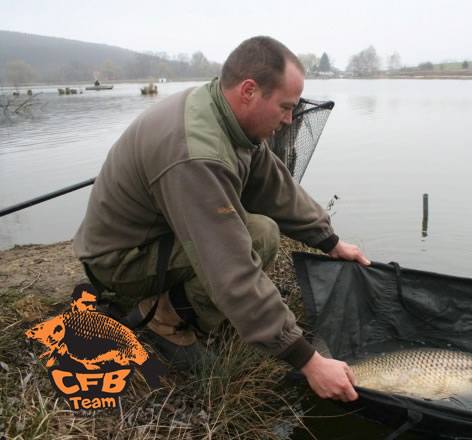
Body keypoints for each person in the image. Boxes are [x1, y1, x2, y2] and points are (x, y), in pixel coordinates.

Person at [72, 36, 369, 402]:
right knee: (254, 239)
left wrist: (330, 241)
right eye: (286, 107)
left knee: (261, 230)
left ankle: (189, 306)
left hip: (157, 237)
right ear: (249, 91)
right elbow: (229, 268)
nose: (291, 118)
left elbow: (274, 186)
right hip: (120, 262)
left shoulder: (223, 112)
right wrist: (308, 361)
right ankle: (162, 319)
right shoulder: (197, 155)